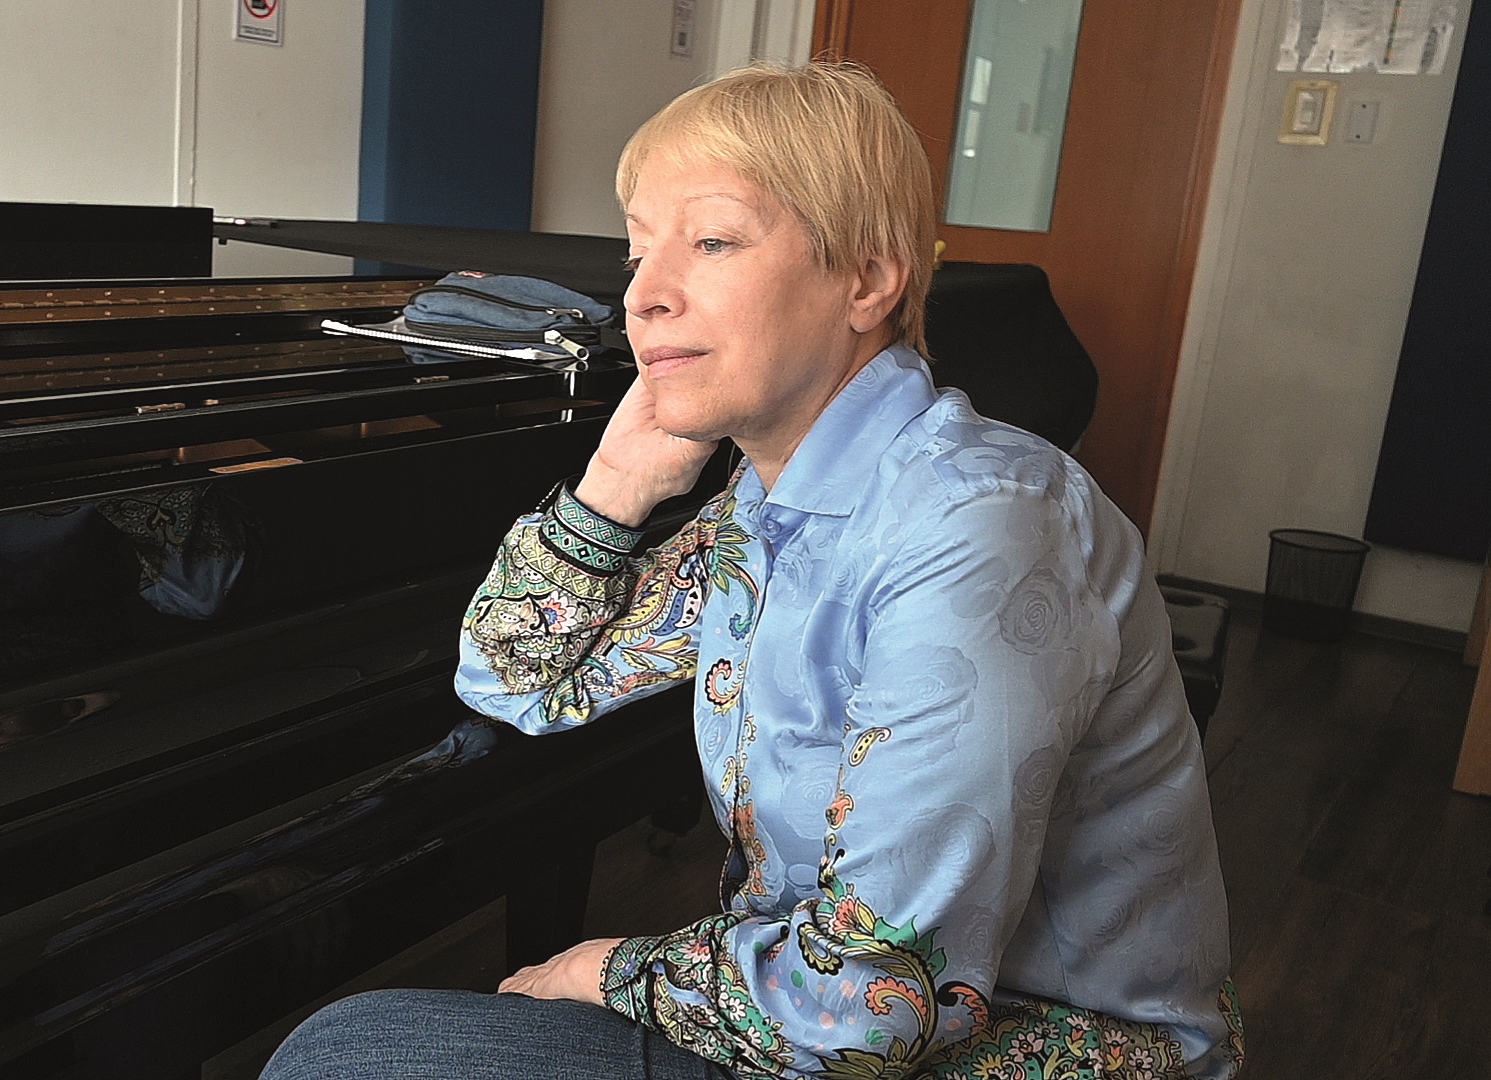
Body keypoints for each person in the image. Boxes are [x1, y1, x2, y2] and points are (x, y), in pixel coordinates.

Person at [260, 62, 1243, 1080]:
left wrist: (609, 970)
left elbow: (867, 1009)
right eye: (638, 251)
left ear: (867, 281)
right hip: (823, 1024)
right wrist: (614, 487)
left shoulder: (979, 526)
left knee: (347, 1054)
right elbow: (515, 677)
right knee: (350, 1049)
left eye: (713, 241)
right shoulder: (769, 504)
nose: (643, 295)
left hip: (1028, 1050)